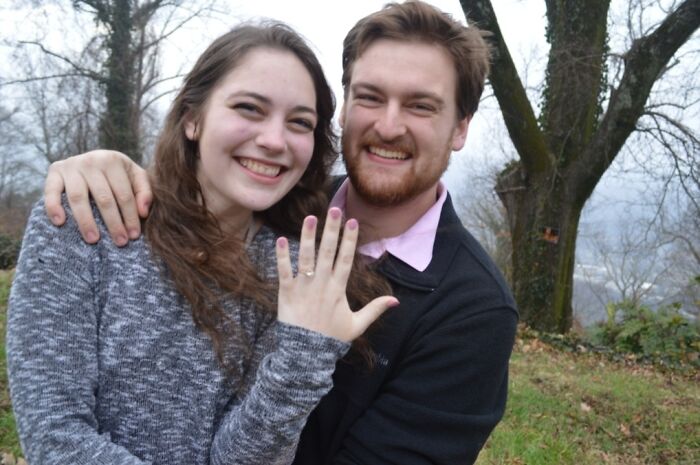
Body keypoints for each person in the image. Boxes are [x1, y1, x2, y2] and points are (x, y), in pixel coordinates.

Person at [41, 1, 519, 464]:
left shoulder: (473, 309)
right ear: (347, 105)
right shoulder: (273, 210)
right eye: (370, 97)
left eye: (421, 106)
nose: (388, 126)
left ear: (460, 128)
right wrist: (108, 172)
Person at [7, 22, 397, 465]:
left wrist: (305, 354)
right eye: (249, 108)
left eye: (299, 123)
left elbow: (241, 458)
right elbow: (55, 436)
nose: (273, 140)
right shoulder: (83, 223)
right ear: (192, 117)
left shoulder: (289, 267)